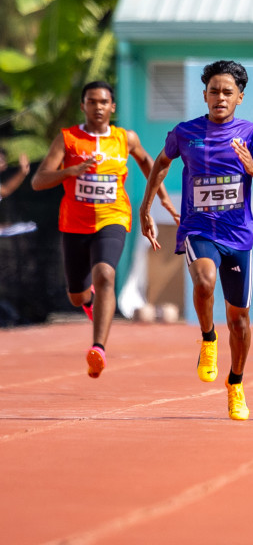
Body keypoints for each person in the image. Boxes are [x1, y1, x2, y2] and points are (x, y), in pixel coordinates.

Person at [139, 61, 253, 421]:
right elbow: (162, 163)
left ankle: (236, 384)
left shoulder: (252, 134)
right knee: (204, 279)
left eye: (227, 92)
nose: (220, 97)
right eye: (214, 91)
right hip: (200, 229)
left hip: (238, 236)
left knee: (241, 321)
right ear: (204, 95)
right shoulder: (186, 132)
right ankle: (208, 338)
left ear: (239, 98)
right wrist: (147, 206)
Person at [31, 81, 177, 376]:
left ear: (113, 107)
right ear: (83, 106)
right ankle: (90, 303)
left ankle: (98, 348)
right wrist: (70, 171)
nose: (98, 107)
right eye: (91, 102)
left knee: (106, 273)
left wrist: (161, 198)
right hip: (74, 223)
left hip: (113, 217)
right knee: (77, 295)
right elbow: (38, 181)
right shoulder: (68, 139)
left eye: (103, 102)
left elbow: (150, 164)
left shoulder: (126, 138)